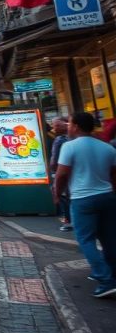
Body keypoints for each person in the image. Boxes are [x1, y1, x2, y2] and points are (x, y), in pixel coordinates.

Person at [54, 112, 116, 298]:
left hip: (83, 199)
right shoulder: (107, 148)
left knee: (86, 240)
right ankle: (111, 274)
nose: (68, 126)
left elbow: (62, 174)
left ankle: (105, 280)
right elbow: (114, 176)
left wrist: (57, 194)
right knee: (109, 239)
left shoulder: (69, 146)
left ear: (77, 127)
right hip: (107, 196)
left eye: (70, 123)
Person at [49, 118, 72, 232]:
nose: (55, 128)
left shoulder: (59, 140)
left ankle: (68, 221)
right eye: (54, 125)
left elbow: (54, 161)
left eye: (58, 125)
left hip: (62, 172)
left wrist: (54, 172)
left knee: (63, 195)